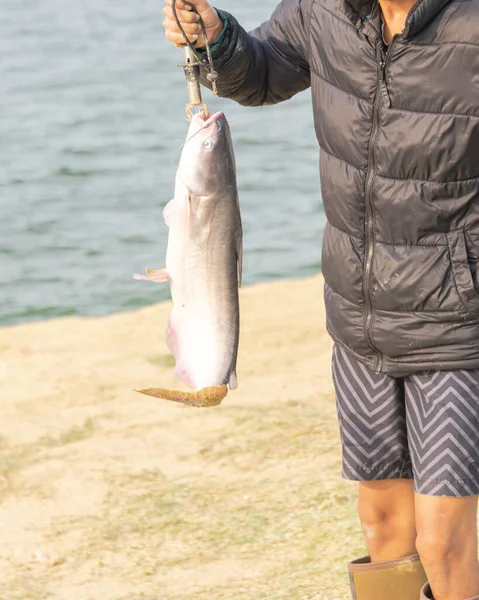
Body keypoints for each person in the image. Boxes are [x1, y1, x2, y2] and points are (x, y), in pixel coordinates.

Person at [162, 1, 479, 599]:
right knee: (384, 524)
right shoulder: (324, 8)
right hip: (357, 319)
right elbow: (262, 70)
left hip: (456, 323)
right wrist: (218, 38)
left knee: (445, 540)